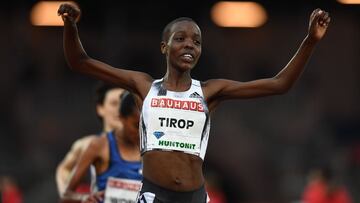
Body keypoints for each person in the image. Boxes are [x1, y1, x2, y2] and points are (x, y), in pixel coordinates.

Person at [58, 3, 330, 203]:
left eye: (196, 42)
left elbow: (279, 84)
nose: (190, 45)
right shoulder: (144, 86)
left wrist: (310, 41)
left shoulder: (210, 91)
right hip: (155, 195)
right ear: (164, 47)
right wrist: (70, 25)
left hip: (195, 197)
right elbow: (79, 62)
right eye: (181, 39)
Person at [61, 92, 142, 203]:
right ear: (121, 118)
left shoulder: (150, 148)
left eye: (144, 126)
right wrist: (83, 198)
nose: (140, 132)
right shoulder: (99, 146)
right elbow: (65, 196)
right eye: (136, 125)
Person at [56, 82, 124, 196]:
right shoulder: (88, 144)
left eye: (123, 104)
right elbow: (64, 169)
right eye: (114, 103)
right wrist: (70, 197)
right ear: (100, 108)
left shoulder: (141, 145)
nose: (119, 109)